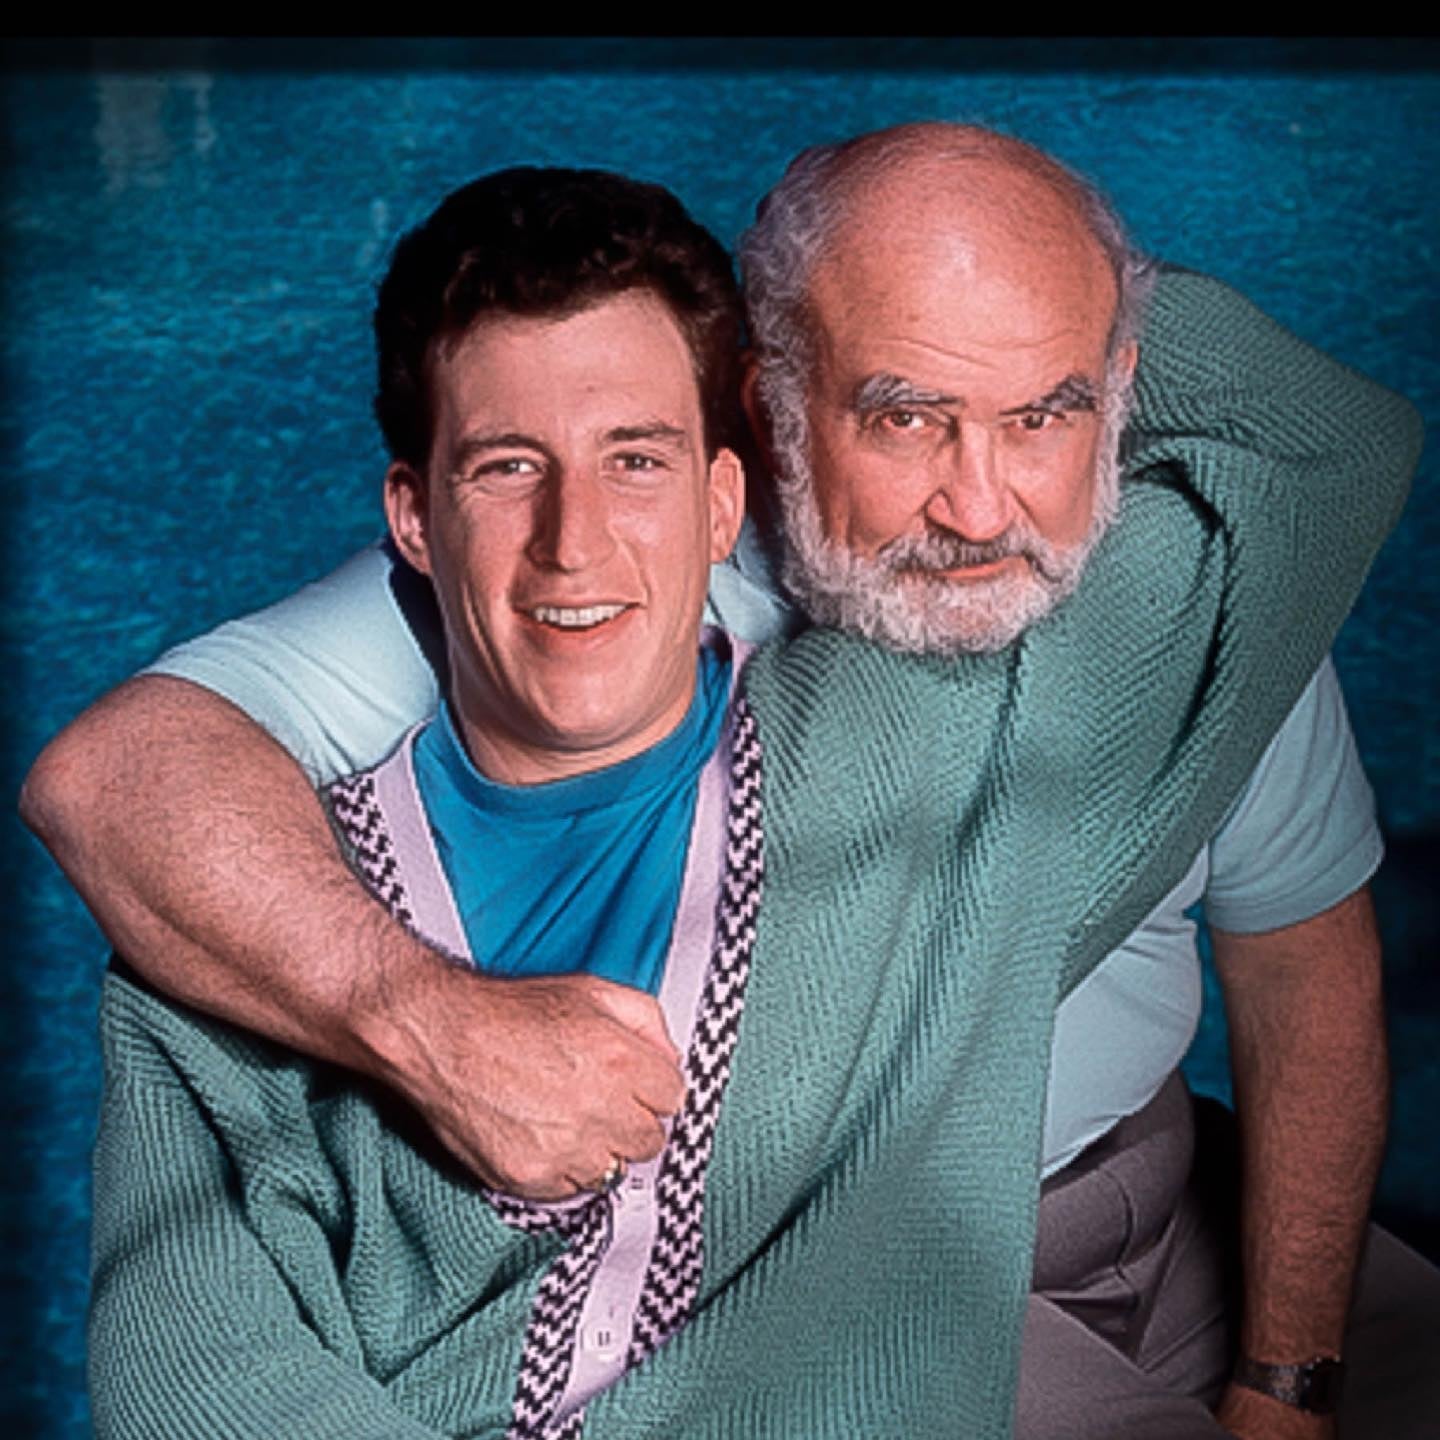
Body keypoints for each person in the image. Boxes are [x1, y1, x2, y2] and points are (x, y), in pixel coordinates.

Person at [23, 137, 1420, 1439]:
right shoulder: (248, 900)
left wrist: (946, 252)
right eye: (508, 469)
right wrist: (419, 1019)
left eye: (636, 459)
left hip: (1101, 1237)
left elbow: (1318, 446)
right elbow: (194, 1362)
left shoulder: (940, 719)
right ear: (414, 519)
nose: (574, 541)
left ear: (718, 495)